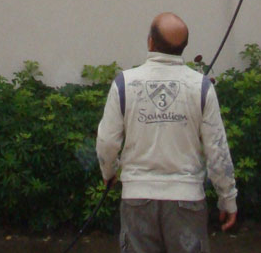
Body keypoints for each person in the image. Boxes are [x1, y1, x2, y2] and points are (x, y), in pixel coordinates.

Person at [96, 13, 238, 253]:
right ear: (183, 47)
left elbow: (107, 142)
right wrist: (228, 199)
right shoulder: (201, 87)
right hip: (187, 201)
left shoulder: (124, 84)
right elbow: (217, 151)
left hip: (137, 199)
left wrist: (109, 172)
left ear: (150, 42)